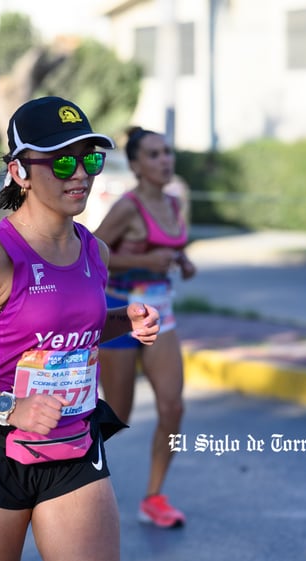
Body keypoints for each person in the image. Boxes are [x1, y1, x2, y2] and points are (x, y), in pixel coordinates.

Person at [0, 96, 161, 561]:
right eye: (63, 160)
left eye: (91, 158)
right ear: (20, 171)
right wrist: (11, 408)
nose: (81, 173)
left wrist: (122, 321)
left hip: (74, 439)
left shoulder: (95, 252)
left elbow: (66, 334)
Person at [94, 126, 197, 529]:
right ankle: (68, 482)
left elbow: (169, 247)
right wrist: (145, 263)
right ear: (136, 165)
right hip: (120, 313)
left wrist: (180, 262)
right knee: (116, 415)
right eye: (153, 155)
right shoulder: (127, 207)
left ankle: (154, 497)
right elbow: (95, 254)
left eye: (167, 152)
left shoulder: (173, 203)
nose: (164, 160)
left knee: (173, 407)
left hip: (162, 312)